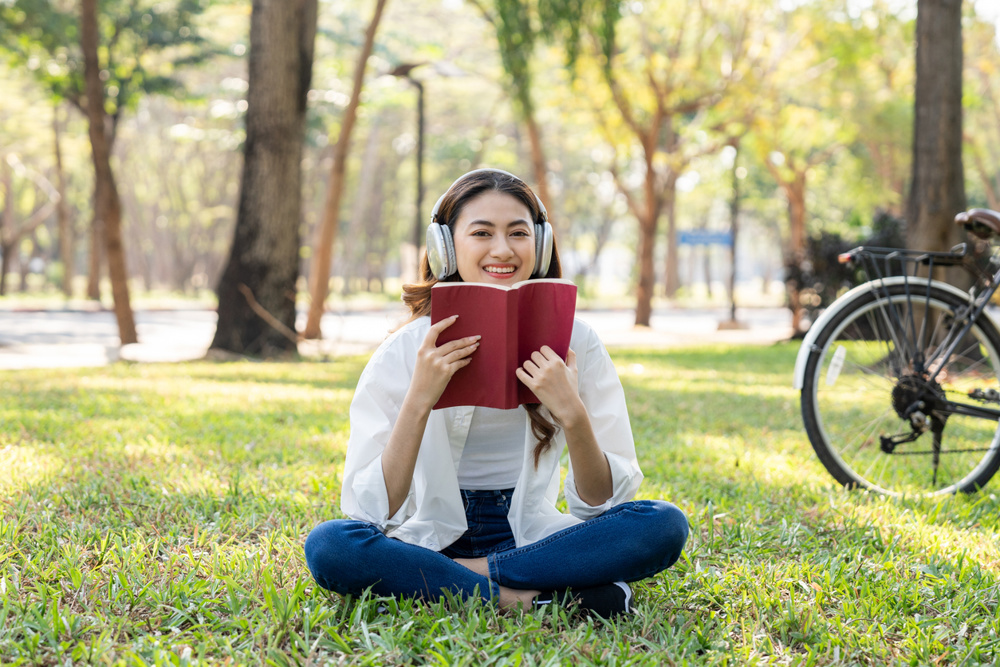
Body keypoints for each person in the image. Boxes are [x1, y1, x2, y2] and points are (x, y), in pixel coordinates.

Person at [304, 168, 688, 617]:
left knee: (662, 525)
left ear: (540, 245)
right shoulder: (407, 349)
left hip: (530, 534)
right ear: (446, 246)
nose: (502, 250)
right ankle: (526, 599)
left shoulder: (578, 343)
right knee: (332, 545)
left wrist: (573, 413)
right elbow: (373, 511)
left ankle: (460, 576)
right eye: (482, 232)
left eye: (518, 233)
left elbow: (600, 503)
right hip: (425, 537)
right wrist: (419, 399)